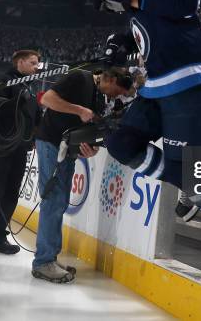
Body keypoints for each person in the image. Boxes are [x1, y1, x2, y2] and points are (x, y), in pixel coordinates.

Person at [94, 0, 201, 264]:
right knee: (122, 144)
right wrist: (119, 44)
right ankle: (187, 181)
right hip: (156, 91)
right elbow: (145, 35)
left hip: (188, 88)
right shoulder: (141, 8)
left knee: (190, 176)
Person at [32, 67, 131, 283]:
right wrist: (78, 110)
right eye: (117, 89)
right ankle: (43, 261)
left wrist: (91, 149)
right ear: (110, 78)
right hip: (50, 142)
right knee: (53, 200)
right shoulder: (79, 77)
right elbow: (47, 99)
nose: (117, 95)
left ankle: (49, 257)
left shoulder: (99, 99)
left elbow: (86, 132)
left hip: (66, 148)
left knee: (60, 202)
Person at [0, 50, 41, 258]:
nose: (36, 66)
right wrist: (16, 102)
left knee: (11, 191)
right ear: (20, 63)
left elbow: (34, 116)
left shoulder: (29, 85)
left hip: (20, 147)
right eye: (32, 63)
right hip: (1, 145)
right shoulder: (6, 82)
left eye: (37, 63)